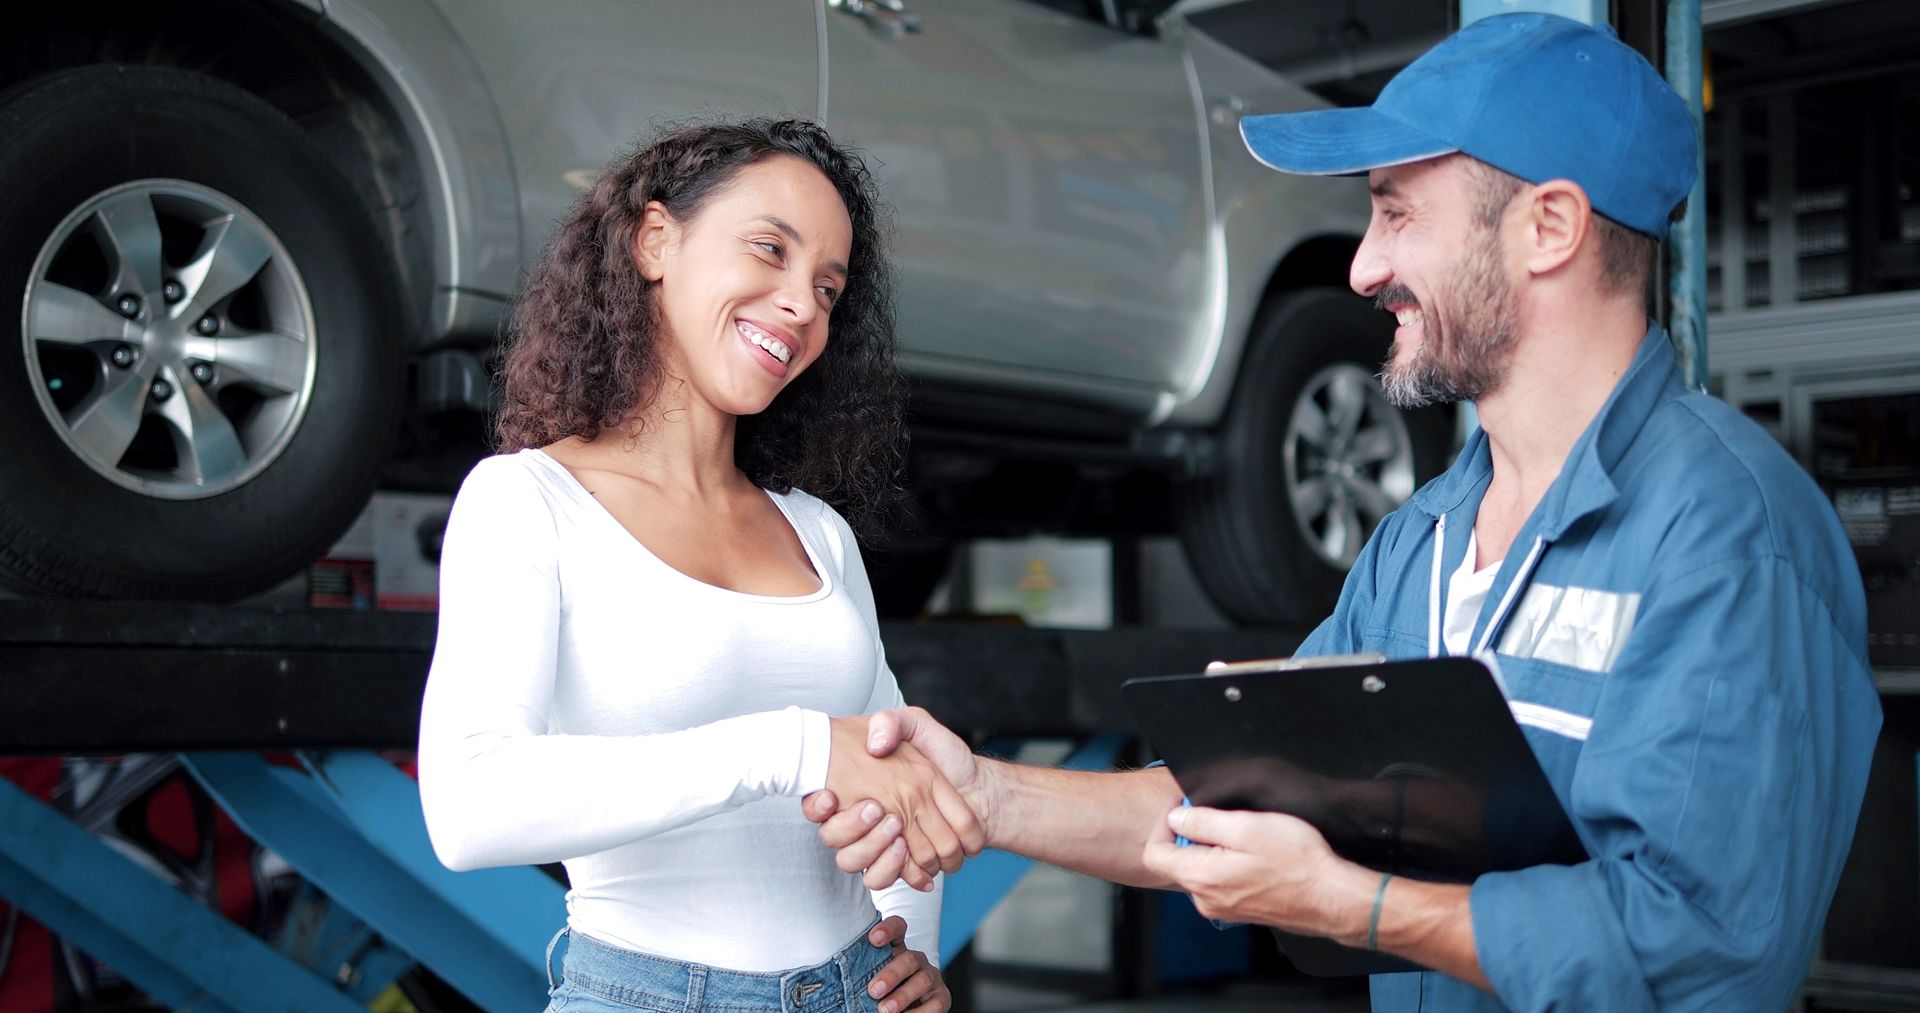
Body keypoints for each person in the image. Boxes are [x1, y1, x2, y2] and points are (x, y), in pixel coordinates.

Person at [806, 13, 1883, 1011]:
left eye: (1396, 212)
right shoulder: (1421, 540)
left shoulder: (1725, 532)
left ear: (1548, 225)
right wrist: (985, 795)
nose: (1363, 266)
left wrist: (1352, 906)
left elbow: (1700, 939)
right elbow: (1233, 800)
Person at [416, 119, 983, 1013]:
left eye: (828, 288)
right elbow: (469, 806)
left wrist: (912, 943)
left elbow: (894, 769)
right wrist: (790, 746)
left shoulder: (817, 532)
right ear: (654, 241)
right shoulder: (529, 501)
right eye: (769, 249)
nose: (801, 304)